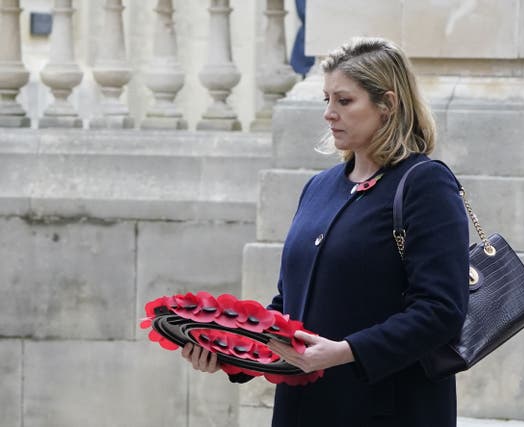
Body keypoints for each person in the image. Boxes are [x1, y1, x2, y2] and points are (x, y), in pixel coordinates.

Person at [182, 37, 470, 427]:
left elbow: (441, 311)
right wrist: (231, 351)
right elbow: (289, 305)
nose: (329, 114)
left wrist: (346, 351)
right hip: (304, 408)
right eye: (326, 100)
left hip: (388, 408)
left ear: (387, 104)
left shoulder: (425, 184)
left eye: (344, 101)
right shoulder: (319, 187)